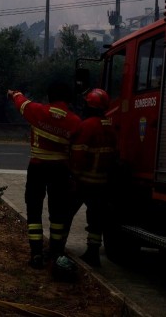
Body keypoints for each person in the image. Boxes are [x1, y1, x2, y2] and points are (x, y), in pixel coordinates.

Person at [7, 82, 81, 269]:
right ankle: (55, 253)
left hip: (37, 168)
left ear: (50, 97)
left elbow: (21, 102)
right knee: (57, 213)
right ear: (68, 99)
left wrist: (14, 93)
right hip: (61, 171)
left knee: (34, 211)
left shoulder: (38, 111)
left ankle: (36, 254)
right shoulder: (75, 122)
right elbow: (77, 152)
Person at [66, 88, 116, 267]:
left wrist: (73, 176)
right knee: (96, 220)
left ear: (90, 106)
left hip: (83, 181)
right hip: (101, 182)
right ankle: (93, 253)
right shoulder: (109, 125)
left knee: (66, 213)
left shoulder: (87, 125)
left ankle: (57, 246)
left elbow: (78, 154)